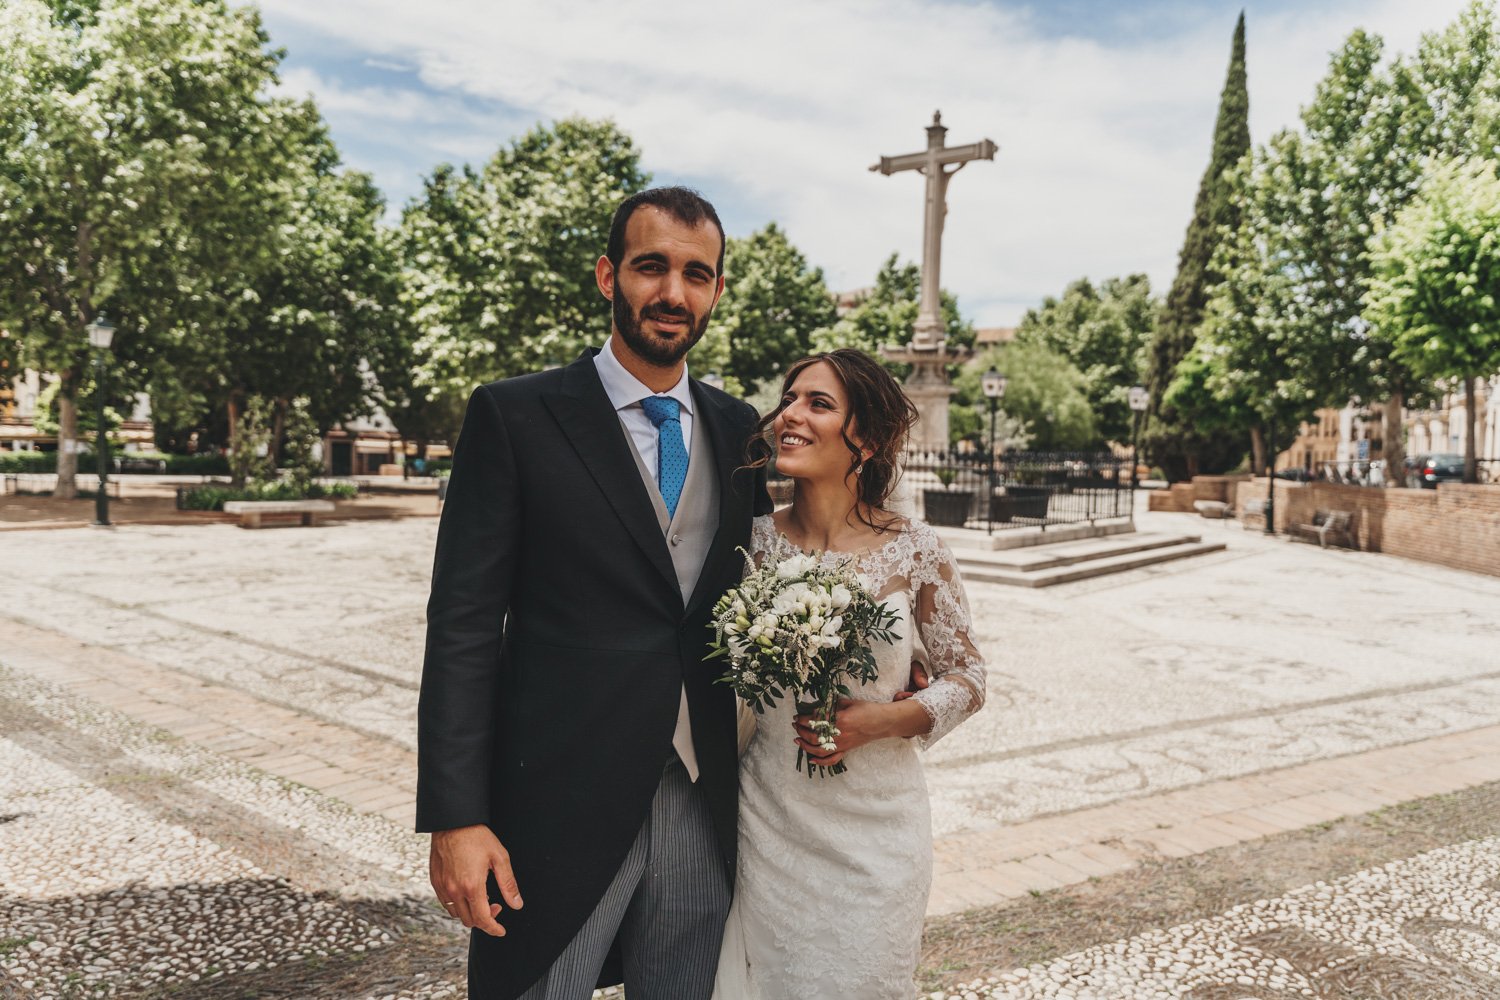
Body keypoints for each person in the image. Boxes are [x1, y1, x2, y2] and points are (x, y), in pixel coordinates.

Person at [417, 186, 772, 1000]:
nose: (673, 293)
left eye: (696, 273)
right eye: (651, 267)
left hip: (700, 796)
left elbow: (770, 587)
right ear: (609, 275)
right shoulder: (514, 415)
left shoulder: (737, 429)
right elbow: (464, 625)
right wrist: (456, 816)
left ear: (717, 290)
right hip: (553, 804)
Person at [712, 349, 987, 1000]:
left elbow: (969, 675)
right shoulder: (746, 544)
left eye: (818, 403)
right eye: (788, 399)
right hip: (766, 829)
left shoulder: (915, 550)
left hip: (876, 842)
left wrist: (885, 719)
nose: (789, 416)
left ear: (863, 437)